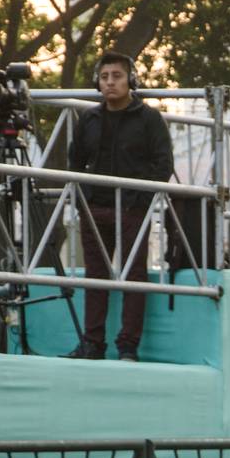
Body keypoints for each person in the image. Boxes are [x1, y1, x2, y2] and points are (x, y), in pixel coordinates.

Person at [65, 51, 173, 362]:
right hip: (95, 208)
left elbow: (163, 163)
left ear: (131, 80)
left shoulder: (149, 118)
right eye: (104, 77)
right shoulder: (90, 118)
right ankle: (92, 344)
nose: (110, 82)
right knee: (94, 277)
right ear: (97, 83)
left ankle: (128, 346)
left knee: (133, 277)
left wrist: (140, 201)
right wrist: (84, 199)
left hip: (131, 210)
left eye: (117, 76)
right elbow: (74, 162)